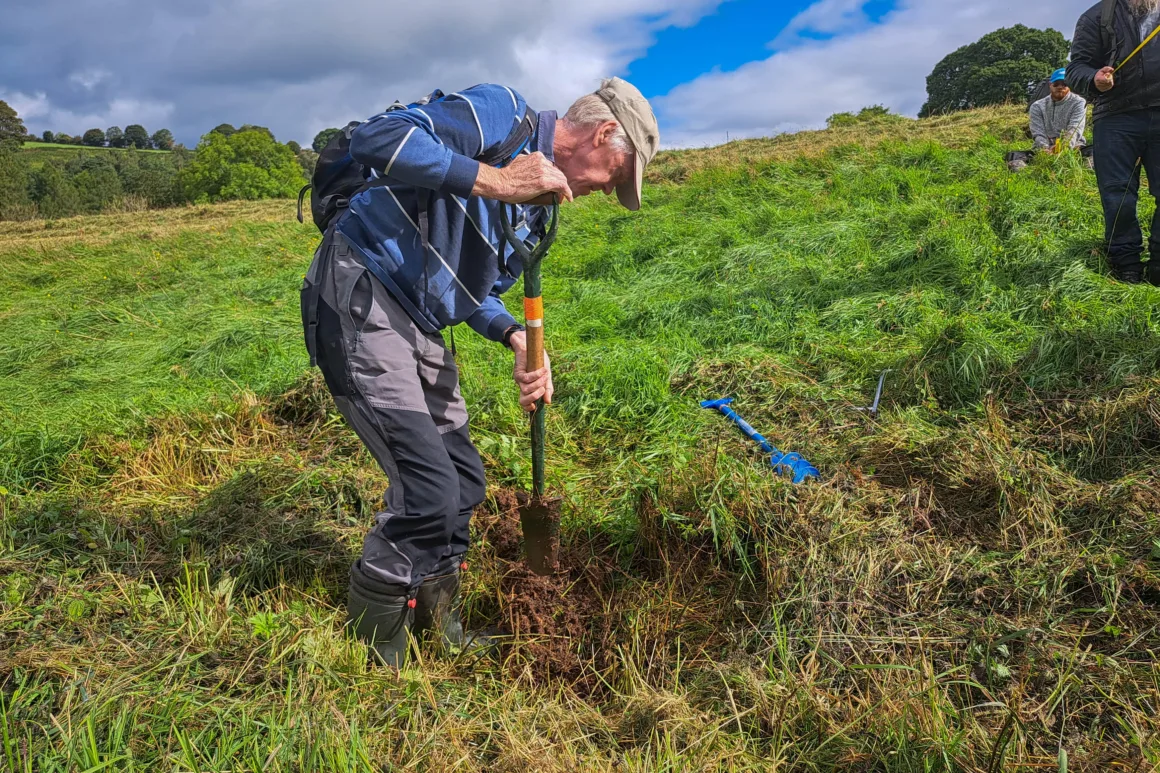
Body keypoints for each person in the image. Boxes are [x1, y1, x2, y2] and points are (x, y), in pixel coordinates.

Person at [300, 78, 659, 666]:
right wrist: (498, 180)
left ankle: (438, 625)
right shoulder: (502, 115)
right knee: (427, 489)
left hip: (421, 321)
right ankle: (374, 652)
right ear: (601, 135)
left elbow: (475, 292)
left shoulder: (538, 216)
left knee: (464, 482)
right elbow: (378, 139)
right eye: (615, 177)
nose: (604, 192)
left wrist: (515, 335)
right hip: (362, 289)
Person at [1068, 0, 1160, 284]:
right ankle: (1126, 262)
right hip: (1116, 117)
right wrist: (1094, 78)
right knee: (1117, 196)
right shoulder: (1096, 16)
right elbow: (1076, 69)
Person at [1005, 68, 1090, 172]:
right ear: (1050, 85)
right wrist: (1045, 148)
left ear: (1070, 85)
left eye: (1064, 83)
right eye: (1056, 84)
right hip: (1044, 149)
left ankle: (1082, 169)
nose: (1060, 87)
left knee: (1096, 152)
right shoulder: (1037, 106)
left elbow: (1074, 129)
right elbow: (1038, 132)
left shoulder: (1079, 103)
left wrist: (1063, 147)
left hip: (1073, 147)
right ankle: (1028, 173)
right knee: (1013, 156)